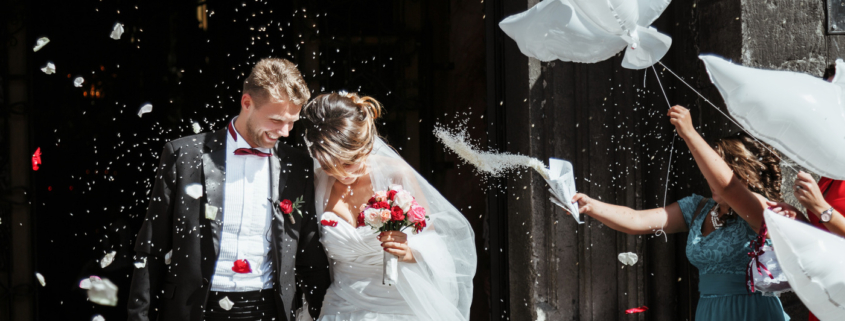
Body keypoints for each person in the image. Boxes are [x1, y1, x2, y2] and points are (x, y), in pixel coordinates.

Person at [127, 58, 331, 321]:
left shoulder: (298, 164)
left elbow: (309, 254)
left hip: (269, 308)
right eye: (276, 120)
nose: (285, 132)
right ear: (247, 103)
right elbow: (151, 246)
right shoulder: (185, 155)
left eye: (292, 122)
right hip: (195, 310)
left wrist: (324, 313)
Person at [568, 105, 790, 320]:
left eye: (715, 169)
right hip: (709, 312)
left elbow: (727, 187)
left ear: (745, 175)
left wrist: (690, 134)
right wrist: (590, 206)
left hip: (751, 312)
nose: (709, 177)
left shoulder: (760, 209)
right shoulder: (698, 208)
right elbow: (636, 220)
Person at [300, 92, 476, 320]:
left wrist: (410, 252)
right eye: (329, 165)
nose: (340, 173)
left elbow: (437, 245)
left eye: (348, 162)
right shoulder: (316, 184)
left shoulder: (395, 175)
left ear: (364, 145)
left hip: (399, 306)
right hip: (341, 305)